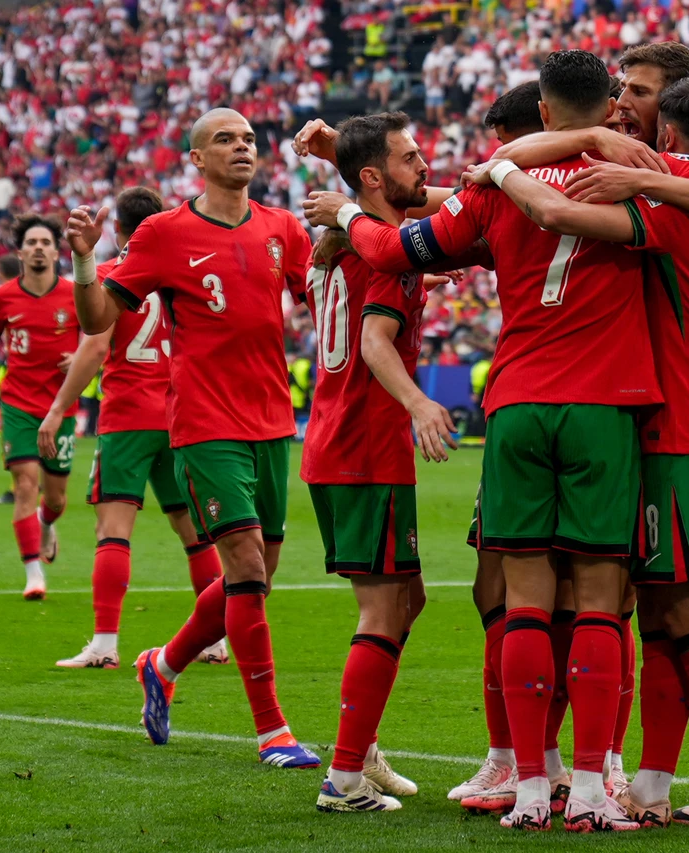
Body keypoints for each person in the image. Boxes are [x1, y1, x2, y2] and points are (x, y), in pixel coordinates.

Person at [305, 50, 666, 832]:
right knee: (605, 602)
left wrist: (342, 210)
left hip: (515, 406)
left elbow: (397, 246)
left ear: (540, 110)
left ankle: (529, 786)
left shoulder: (493, 192)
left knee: (520, 601)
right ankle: (600, 784)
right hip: (605, 404)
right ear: (610, 106)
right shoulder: (640, 177)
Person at [467, 74, 689, 829]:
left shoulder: (671, 212)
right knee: (676, 613)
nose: (629, 115)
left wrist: (503, 169)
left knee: (683, 610)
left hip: (676, 434)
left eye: (643, 101)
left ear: (670, 136)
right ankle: (647, 781)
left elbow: (554, 213)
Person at [68, 108, 319, 770]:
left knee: (253, 582)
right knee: (243, 566)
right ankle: (273, 731)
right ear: (196, 159)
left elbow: (322, 296)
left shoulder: (282, 229)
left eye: (249, 139)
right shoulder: (163, 232)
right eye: (225, 140)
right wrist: (84, 262)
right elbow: (97, 317)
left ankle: (163, 661)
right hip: (205, 424)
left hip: (272, 421)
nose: (243, 146)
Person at [303, 113, 439, 812]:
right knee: (383, 607)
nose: (426, 165)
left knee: (407, 597)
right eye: (412, 157)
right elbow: (375, 339)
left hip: (336, 439)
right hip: (366, 445)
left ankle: (364, 742)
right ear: (373, 178)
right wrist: (419, 404)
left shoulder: (335, 246)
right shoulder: (384, 255)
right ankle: (345, 776)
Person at [42, 187, 227, 670]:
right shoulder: (178, 274)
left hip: (128, 417)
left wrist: (60, 407)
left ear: (118, 229)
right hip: (181, 414)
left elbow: (95, 347)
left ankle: (104, 643)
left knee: (113, 532)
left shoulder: (112, 275)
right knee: (196, 535)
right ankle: (213, 639)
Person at [0, 215, 80, 599]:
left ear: (55, 249)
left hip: (61, 405)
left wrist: (78, 356)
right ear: (21, 251)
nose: (39, 248)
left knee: (56, 497)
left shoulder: (76, 294)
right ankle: (34, 575)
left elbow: (99, 339)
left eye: (45, 241)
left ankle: (48, 523)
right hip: (18, 403)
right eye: (31, 242)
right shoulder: (3, 296)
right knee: (25, 486)